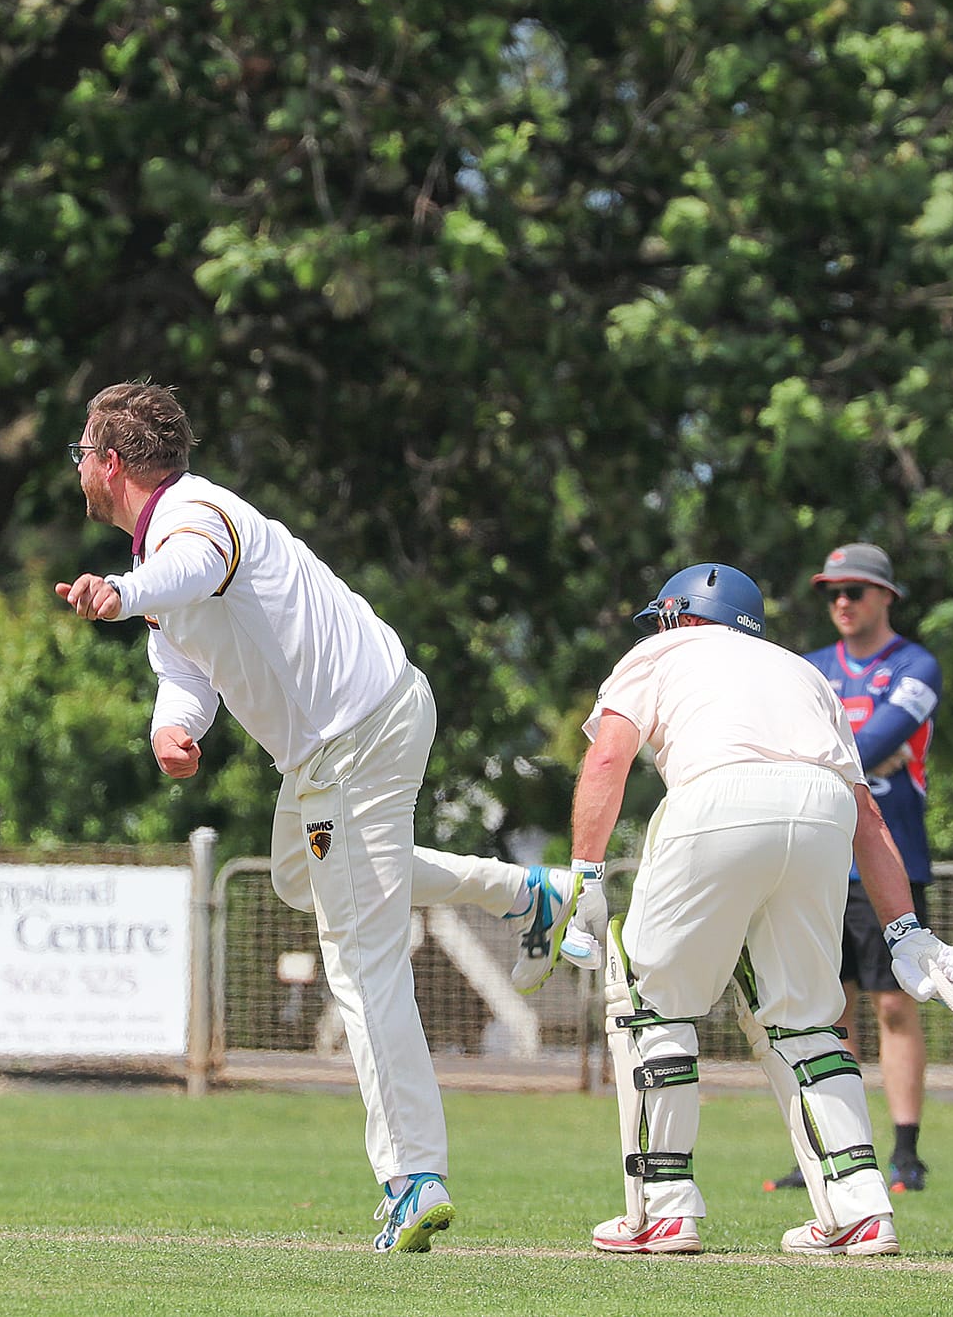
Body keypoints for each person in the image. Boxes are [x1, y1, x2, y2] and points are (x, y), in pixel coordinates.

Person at [55, 382, 582, 1254]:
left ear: (110, 463)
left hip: (357, 736)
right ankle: (525, 895)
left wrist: (118, 590)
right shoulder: (164, 558)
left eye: (81, 453)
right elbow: (186, 667)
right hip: (328, 754)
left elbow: (191, 572)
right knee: (309, 879)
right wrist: (173, 729)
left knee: (358, 954)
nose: (77, 468)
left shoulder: (194, 516)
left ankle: (414, 1175)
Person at [555, 562, 953, 1257]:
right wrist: (905, 930)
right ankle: (860, 1209)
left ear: (682, 615)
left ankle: (663, 1208)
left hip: (717, 798)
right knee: (806, 1018)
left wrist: (585, 877)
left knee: (651, 998)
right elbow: (867, 814)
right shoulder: (803, 673)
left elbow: (607, 762)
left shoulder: (658, 652)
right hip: (822, 813)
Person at [765, 542, 943, 1195]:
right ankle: (830, 1143)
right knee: (822, 1007)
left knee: (893, 1003)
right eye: (831, 591)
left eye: (855, 590)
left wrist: (836, 756)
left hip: (891, 859)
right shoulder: (808, 668)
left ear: (886, 597)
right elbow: (785, 745)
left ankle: (906, 1153)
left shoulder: (916, 665)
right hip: (816, 857)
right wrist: (845, 759)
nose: (841, 602)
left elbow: (875, 742)